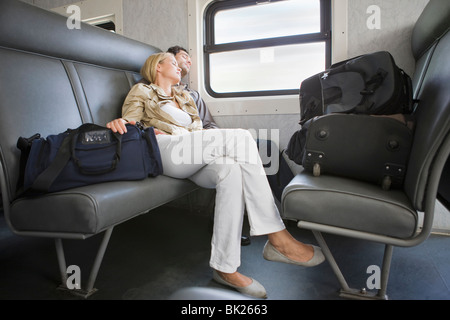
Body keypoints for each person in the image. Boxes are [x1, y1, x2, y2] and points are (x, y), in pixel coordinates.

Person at [106, 52, 324, 299]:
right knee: (242, 138)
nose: (179, 67)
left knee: (229, 171)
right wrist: (121, 124)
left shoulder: (185, 97)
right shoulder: (142, 91)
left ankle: (225, 267)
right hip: (164, 150)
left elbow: (198, 131)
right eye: (173, 63)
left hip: (191, 151)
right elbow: (130, 125)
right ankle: (277, 237)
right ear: (157, 67)